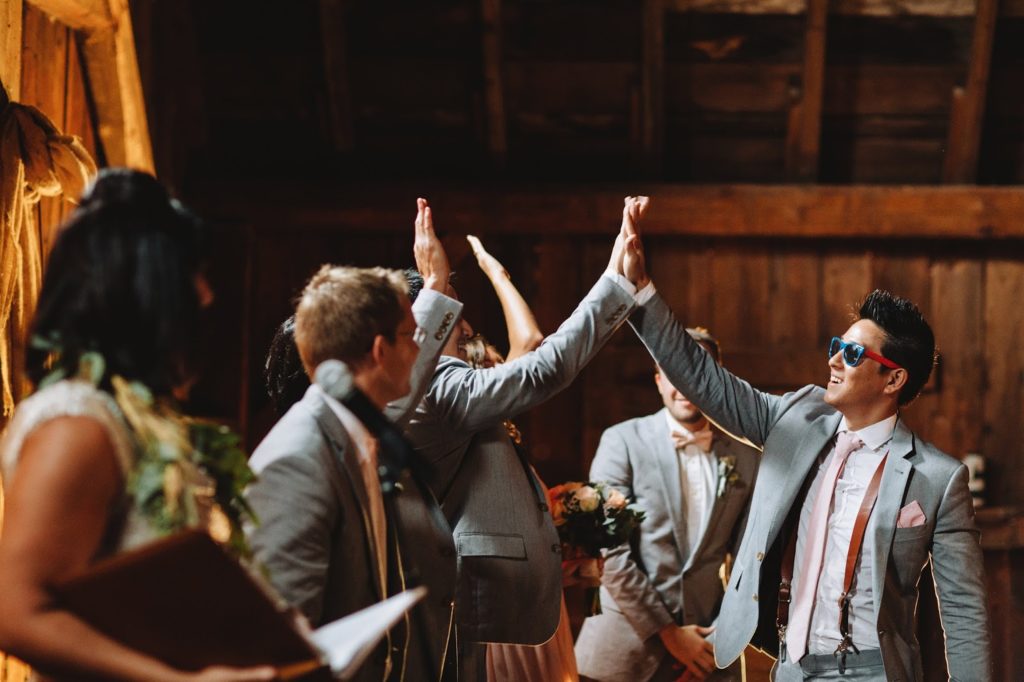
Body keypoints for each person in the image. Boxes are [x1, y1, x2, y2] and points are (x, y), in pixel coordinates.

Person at [616, 200, 991, 681]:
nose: (834, 360)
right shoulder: (792, 420)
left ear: (893, 380)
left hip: (876, 673)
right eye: (837, 346)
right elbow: (703, 379)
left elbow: (964, 611)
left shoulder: (938, 478)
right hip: (790, 670)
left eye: (852, 353)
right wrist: (641, 292)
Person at [0, 169, 274, 681]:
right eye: (193, 274)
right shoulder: (79, 423)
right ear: (150, 285)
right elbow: (16, 613)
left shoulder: (131, 420)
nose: (206, 295)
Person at [403, 198, 649, 679]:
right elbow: (544, 366)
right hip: (473, 602)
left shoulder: (436, 384)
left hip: (495, 603)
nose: (465, 331)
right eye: (453, 321)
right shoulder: (435, 386)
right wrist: (617, 284)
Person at [244, 199, 464, 682]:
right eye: (412, 335)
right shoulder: (299, 457)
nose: (420, 348)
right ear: (380, 350)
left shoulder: (360, 437)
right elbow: (279, 638)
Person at [575, 328, 759, 682]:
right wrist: (671, 635)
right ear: (659, 380)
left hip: (710, 654)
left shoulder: (746, 455)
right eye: (675, 372)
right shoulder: (622, 442)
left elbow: (751, 560)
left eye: (698, 371)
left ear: (717, 379)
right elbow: (609, 552)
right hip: (625, 654)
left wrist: (720, 636)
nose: (685, 384)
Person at [457, 235, 578, 682]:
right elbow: (529, 339)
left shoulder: (500, 428)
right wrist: (496, 273)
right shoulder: (468, 420)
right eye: (492, 369)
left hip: (538, 604)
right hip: (503, 610)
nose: (506, 376)